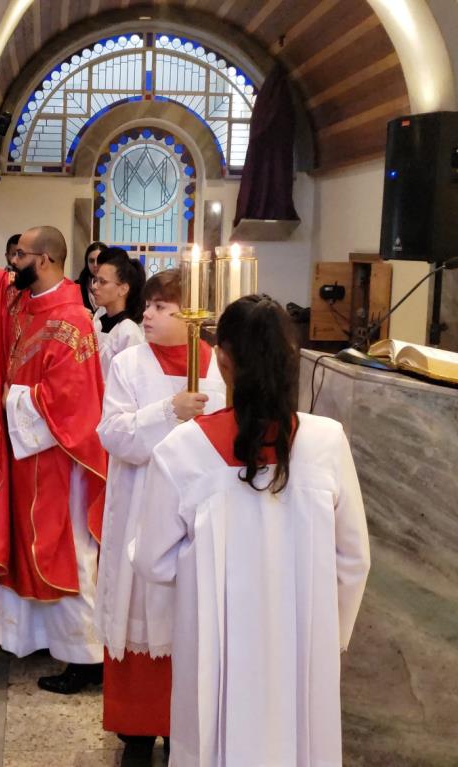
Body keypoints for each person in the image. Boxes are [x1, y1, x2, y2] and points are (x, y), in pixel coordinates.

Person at [131, 295, 371, 767]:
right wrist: (325, 634)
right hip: (303, 647)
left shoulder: (184, 448)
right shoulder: (327, 442)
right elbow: (353, 561)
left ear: (222, 361)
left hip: (215, 651)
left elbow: (153, 561)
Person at [0, 168, 108, 692]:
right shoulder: (19, 301)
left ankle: (87, 658)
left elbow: (72, 402)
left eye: (21, 256)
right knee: (21, 544)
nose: (12, 262)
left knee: (68, 550)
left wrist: (7, 401)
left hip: (57, 458)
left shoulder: (72, 320)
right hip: (21, 452)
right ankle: (32, 638)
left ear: (48, 260)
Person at [95, 270, 226, 765]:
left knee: (189, 618)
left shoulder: (219, 368)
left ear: (194, 316)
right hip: (139, 508)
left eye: (161, 307)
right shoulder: (129, 363)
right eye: (147, 305)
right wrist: (169, 412)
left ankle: (181, 732)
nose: (146, 314)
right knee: (138, 612)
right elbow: (112, 433)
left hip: (199, 513)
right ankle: (135, 734)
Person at [90, 247, 146, 377]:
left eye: (102, 282)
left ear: (123, 289)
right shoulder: (97, 322)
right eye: (95, 280)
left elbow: (131, 379)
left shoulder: (128, 331)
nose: (94, 286)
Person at [78, 240, 105, 312]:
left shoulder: (114, 286)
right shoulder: (77, 287)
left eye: (100, 260)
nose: (95, 265)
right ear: (87, 263)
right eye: (91, 261)